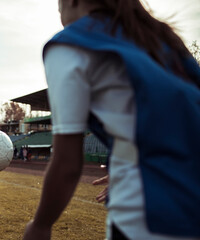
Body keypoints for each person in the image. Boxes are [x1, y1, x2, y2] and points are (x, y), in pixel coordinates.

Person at [23, 1, 200, 240]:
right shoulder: (163, 38)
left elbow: (67, 162)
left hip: (151, 215)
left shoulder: (69, 44)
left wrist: (40, 225)